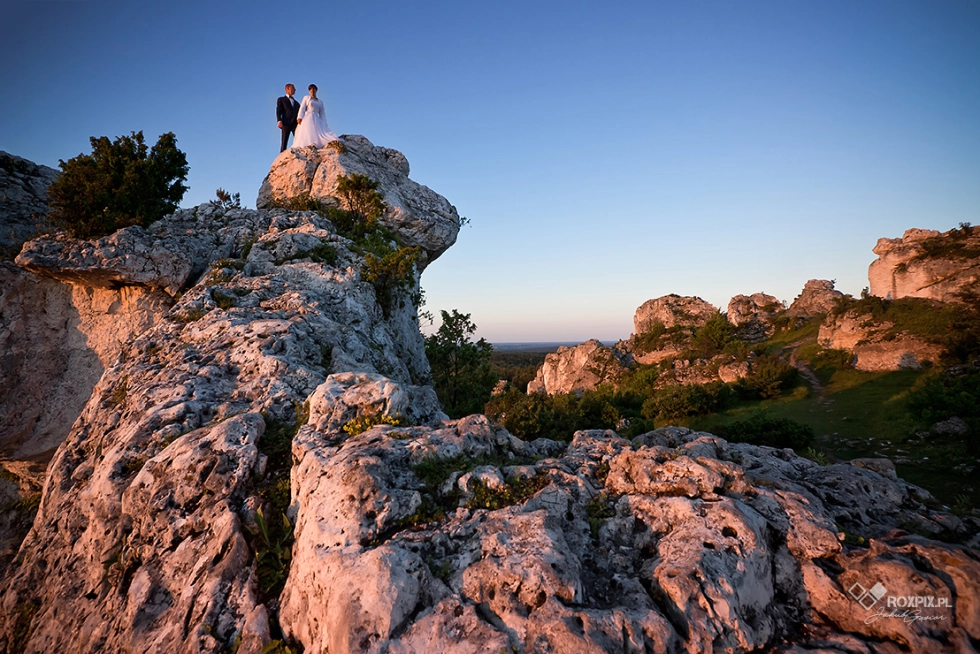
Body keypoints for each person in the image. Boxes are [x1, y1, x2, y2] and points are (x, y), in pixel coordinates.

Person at [293, 84, 338, 148]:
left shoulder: (320, 102)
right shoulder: (306, 98)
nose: (312, 90)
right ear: (309, 91)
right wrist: (300, 117)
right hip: (308, 117)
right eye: (311, 89)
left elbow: (322, 113)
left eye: (314, 89)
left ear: (316, 90)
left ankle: (317, 143)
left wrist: (324, 123)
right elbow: (302, 107)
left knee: (319, 132)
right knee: (308, 130)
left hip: (316, 117)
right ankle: (309, 143)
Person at [276, 84, 300, 152]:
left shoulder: (297, 103)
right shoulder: (281, 99)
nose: (295, 90)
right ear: (287, 89)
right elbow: (279, 110)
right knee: (284, 140)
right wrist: (279, 120)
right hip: (286, 123)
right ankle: (282, 155)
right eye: (293, 88)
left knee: (298, 138)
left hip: (295, 123)